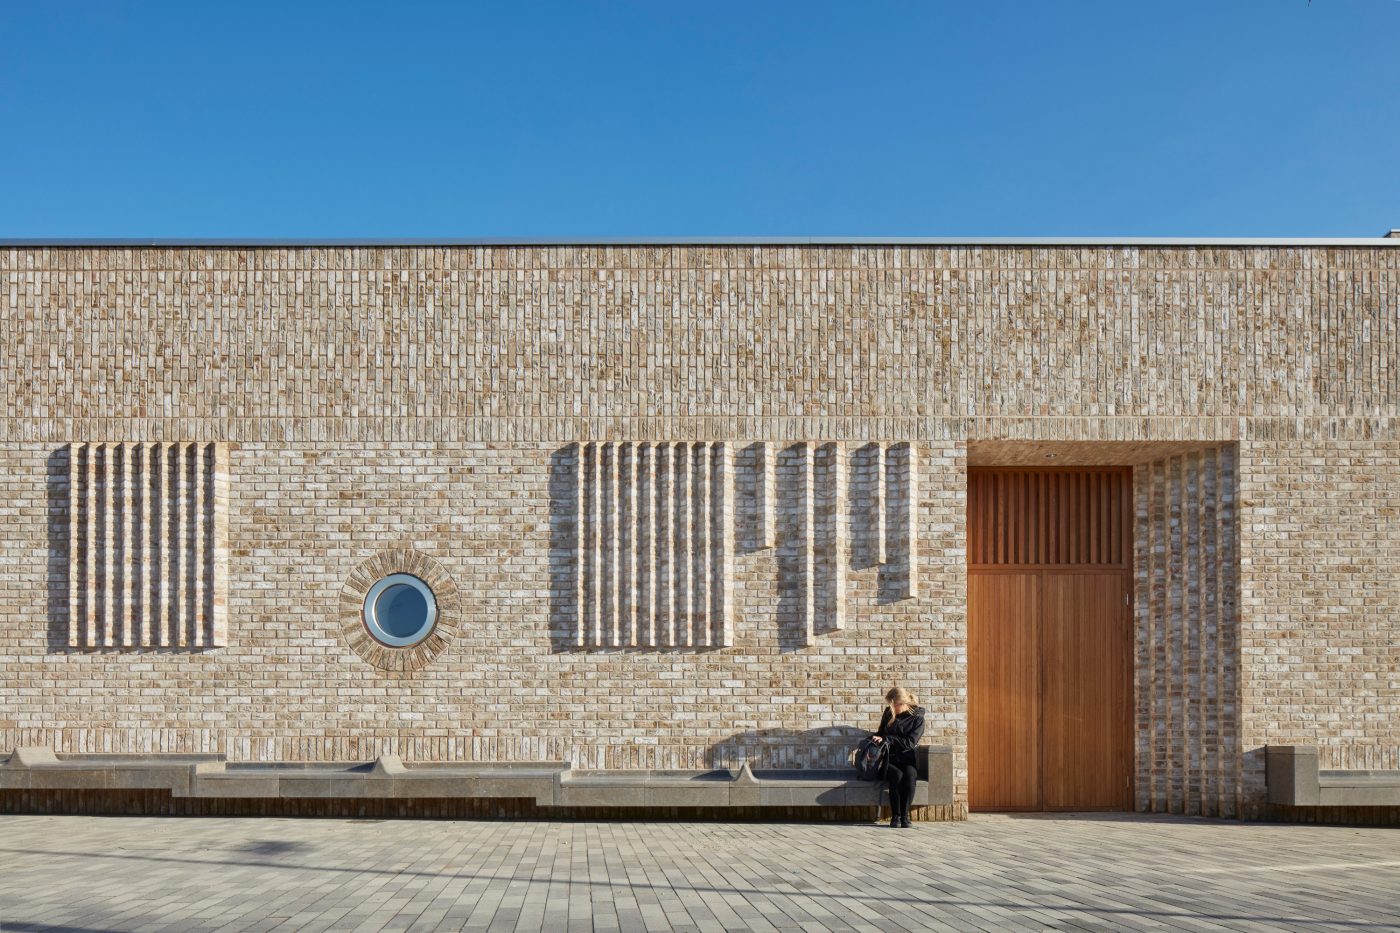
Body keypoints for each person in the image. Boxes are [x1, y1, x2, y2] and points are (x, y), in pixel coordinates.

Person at [871, 686, 925, 828]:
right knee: (897, 776)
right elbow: (882, 732)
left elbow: (910, 742)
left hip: (907, 759)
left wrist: (889, 739)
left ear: (903, 702)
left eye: (894, 704)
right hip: (889, 759)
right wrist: (878, 738)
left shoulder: (917, 719)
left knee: (910, 775)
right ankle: (896, 816)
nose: (892, 708)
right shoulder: (889, 713)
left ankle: (905, 817)